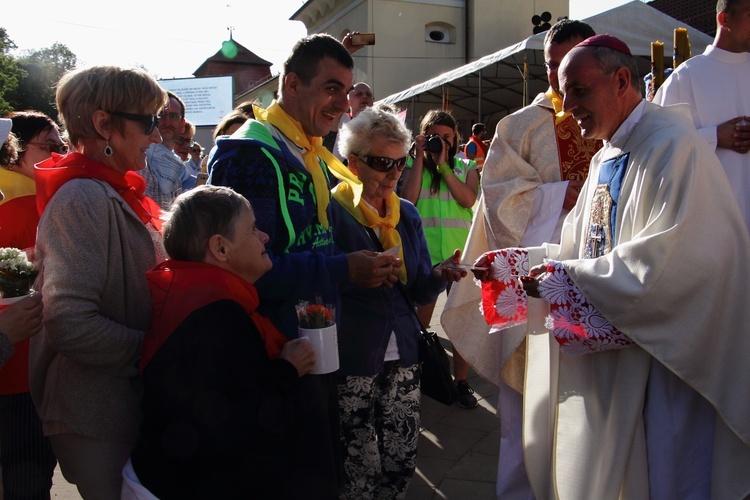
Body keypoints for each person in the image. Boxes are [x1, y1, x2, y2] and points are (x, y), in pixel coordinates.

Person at [475, 34, 750, 498]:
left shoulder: (672, 146)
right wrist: (519, 268)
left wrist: (566, 281)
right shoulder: (607, 154)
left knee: (666, 474)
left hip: (667, 362)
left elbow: (672, 264)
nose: (568, 106)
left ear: (622, 80)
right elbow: (581, 248)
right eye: (563, 94)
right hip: (619, 357)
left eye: (579, 91)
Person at [207, 34, 398, 499]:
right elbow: (247, 268)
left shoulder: (309, 150)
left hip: (313, 340)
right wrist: (341, 270)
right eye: (331, 88)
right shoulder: (250, 151)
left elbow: (312, 241)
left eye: (346, 89)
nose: (341, 102)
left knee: (320, 473)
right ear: (291, 84)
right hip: (273, 354)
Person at [441, 19, 598, 498]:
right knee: (527, 402)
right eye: (552, 67)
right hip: (534, 290)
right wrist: (556, 194)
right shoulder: (521, 125)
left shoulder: (617, 118)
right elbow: (498, 200)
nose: (559, 80)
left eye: (571, 69)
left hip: (593, 280)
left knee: (590, 402)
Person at [124, 185, 315, 499]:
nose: (264, 237)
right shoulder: (217, 317)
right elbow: (241, 423)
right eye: (253, 229)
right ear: (220, 249)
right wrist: (286, 368)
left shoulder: (195, 298)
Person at [29, 65, 167, 499]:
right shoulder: (82, 197)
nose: (157, 137)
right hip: (95, 413)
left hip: (116, 407)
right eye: (148, 122)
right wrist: (159, 352)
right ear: (104, 124)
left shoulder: (106, 190)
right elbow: (69, 322)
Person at [331, 105, 466, 499]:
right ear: (353, 163)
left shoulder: (405, 213)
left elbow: (419, 289)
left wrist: (439, 276)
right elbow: (323, 286)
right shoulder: (332, 213)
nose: (394, 173)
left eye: (400, 162)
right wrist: (352, 275)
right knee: (359, 468)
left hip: (404, 355)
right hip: (353, 357)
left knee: (401, 461)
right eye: (382, 163)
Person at [0, 111, 63, 499]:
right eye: (47, 147)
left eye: (61, 147)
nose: (56, 156)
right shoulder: (23, 204)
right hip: (19, 373)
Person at [399, 109, 480, 409]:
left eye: (447, 138)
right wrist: (420, 157)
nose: (442, 143)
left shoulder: (466, 165)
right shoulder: (412, 163)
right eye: (435, 137)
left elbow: (468, 200)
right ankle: (415, 377)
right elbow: (408, 198)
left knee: (460, 322)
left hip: (460, 255)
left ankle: (461, 382)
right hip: (425, 257)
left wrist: (445, 167)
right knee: (418, 322)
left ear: (456, 139)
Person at [654, 0, 750, 232]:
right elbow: (658, 147)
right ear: (724, 19)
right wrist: (714, 136)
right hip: (711, 225)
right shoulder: (685, 78)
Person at [141, 91, 187, 210]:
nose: (167, 122)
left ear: (182, 125)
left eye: (173, 116)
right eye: (161, 115)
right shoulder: (141, 161)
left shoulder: (177, 166)